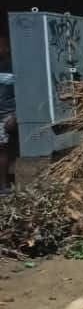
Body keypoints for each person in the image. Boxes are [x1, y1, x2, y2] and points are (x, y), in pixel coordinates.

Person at [0, 34, 15, 194]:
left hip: (8, 114)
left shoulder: (14, 66)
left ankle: (3, 187)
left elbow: (24, 93)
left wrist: (16, 115)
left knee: (2, 149)